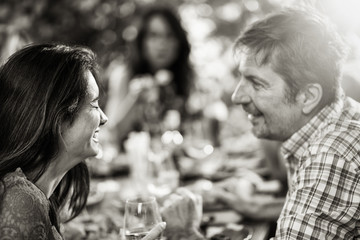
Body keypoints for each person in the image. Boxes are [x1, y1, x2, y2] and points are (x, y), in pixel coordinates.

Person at [0, 43, 165, 240]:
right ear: (58, 116)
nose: (104, 118)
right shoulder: (20, 202)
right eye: (94, 105)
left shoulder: (36, 192)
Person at [224, 7, 360, 239]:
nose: (237, 96)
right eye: (242, 78)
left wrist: (185, 235)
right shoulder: (342, 115)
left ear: (307, 97)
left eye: (256, 83)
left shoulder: (330, 156)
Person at [104, 4, 194, 148]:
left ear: (178, 43)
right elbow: (111, 134)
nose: (162, 44)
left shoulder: (184, 78)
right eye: (154, 35)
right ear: (142, 43)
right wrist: (135, 99)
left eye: (169, 36)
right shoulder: (125, 74)